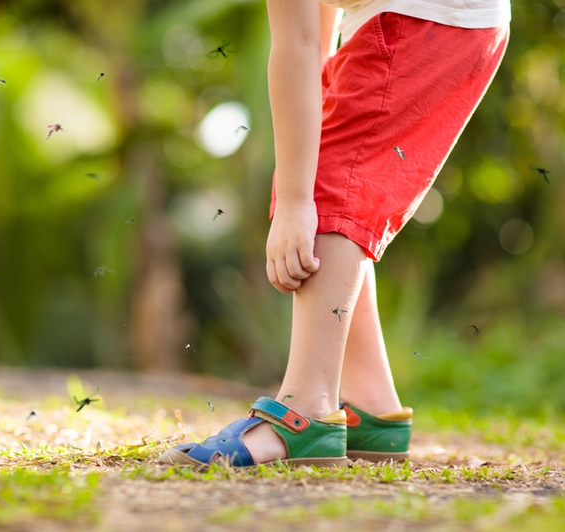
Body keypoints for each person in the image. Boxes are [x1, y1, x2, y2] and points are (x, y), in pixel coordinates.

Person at [161, 0, 510, 467]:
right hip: (429, 18)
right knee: (313, 166)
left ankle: (308, 407)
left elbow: (298, 43)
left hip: (425, 17)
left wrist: (301, 203)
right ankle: (371, 404)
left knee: (326, 184)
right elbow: (316, 35)